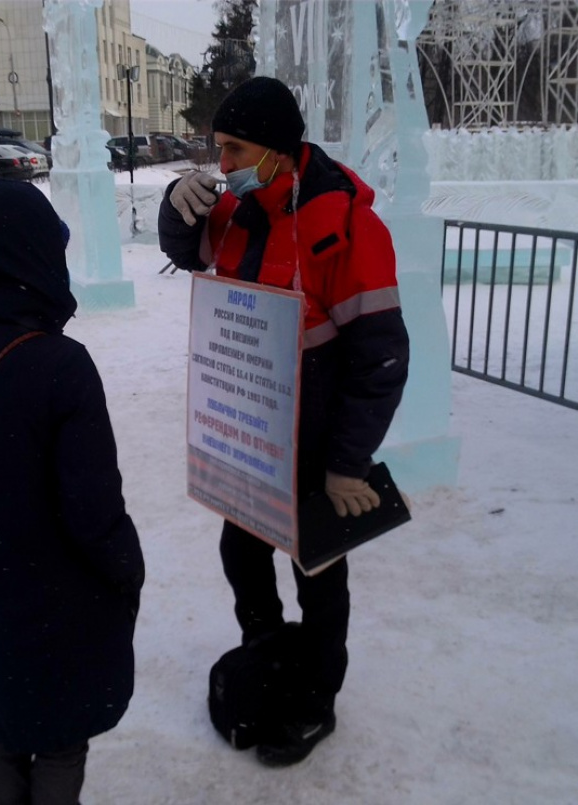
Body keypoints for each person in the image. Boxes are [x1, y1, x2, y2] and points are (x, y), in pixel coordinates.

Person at [158, 77, 409, 767]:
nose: (224, 165)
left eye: (235, 149)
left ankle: (316, 697)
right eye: (219, 150)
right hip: (248, 431)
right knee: (240, 553)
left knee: (318, 574)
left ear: (276, 149)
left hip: (313, 438)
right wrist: (174, 208)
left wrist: (347, 464)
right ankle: (267, 650)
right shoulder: (238, 213)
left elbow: (381, 356)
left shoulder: (343, 223)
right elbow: (187, 249)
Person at [0, 177, 145, 804]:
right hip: (64, 597)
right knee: (63, 738)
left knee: (8, 724)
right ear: (29, 253)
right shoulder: (61, 365)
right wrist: (127, 570)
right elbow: (93, 509)